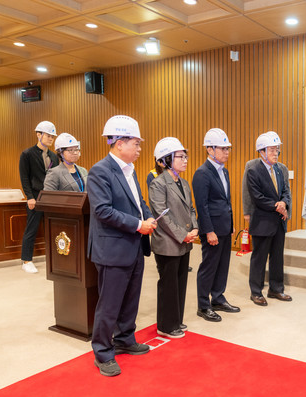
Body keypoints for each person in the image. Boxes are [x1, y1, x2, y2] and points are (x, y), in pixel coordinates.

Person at [87, 115, 157, 377]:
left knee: (130, 299)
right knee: (110, 303)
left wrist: (147, 216)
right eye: (136, 144)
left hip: (134, 246)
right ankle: (103, 352)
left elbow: (138, 202)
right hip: (112, 249)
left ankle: (125, 338)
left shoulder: (130, 169)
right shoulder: (100, 171)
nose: (139, 149)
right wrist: (139, 225)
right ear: (118, 143)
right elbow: (103, 211)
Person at [149, 137, 198, 339]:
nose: (185, 160)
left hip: (184, 241)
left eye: (185, 156)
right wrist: (183, 235)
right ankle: (166, 326)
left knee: (180, 281)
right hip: (168, 243)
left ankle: (176, 319)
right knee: (168, 284)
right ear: (164, 160)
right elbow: (163, 215)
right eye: (180, 156)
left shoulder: (184, 182)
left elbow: (191, 209)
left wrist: (194, 228)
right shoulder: (158, 184)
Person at [192, 128, 240, 322]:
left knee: (222, 265)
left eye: (228, 149)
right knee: (209, 266)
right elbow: (201, 206)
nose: (227, 152)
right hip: (211, 229)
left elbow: (226, 201)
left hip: (224, 227)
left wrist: (231, 224)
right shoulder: (202, 173)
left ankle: (218, 298)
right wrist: (209, 230)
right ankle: (203, 305)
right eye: (223, 148)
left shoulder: (224, 171)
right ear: (210, 150)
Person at [245, 131, 292, 306]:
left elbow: (286, 191)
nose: (275, 153)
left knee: (277, 257)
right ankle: (256, 292)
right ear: (261, 151)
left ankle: (276, 289)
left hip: (278, 221)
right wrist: (277, 205)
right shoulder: (253, 170)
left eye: (277, 149)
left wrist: (284, 203)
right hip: (262, 222)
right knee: (259, 258)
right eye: (272, 150)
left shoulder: (279, 169)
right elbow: (257, 197)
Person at [19, 121, 59, 273]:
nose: (51, 139)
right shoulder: (27, 154)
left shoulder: (54, 157)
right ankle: (26, 260)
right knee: (32, 228)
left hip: (51, 197)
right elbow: (24, 178)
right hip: (35, 197)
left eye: (52, 137)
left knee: (52, 228)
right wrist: (29, 197)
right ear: (38, 134)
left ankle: (55, 257)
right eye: (49, 136)